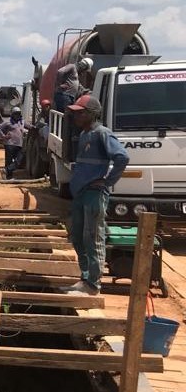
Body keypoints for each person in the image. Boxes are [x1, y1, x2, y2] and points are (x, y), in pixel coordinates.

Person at [63, 95, 129, 296]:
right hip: (81, 193)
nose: (75, 116)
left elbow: (122, 157)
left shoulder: (102, 134)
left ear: (91, 114)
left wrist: (107, 181)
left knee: (92, 237)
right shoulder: (84, 134)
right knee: (77, 236)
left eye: (80, 113)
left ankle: (93, 285)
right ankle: (85, 278)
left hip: (94, 193)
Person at [0, 107, 26, 180]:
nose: (17, 115)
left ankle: (6, 170)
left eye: (18, 114)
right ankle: (8, 177)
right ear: (12, 114)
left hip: (19, 145)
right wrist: (3, 136)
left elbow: (29, 126)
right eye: (15, 114)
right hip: (9, 144)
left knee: (19, 161)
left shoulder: (22, 122)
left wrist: (35, 128)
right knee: (8, 161)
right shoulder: (8, 122)